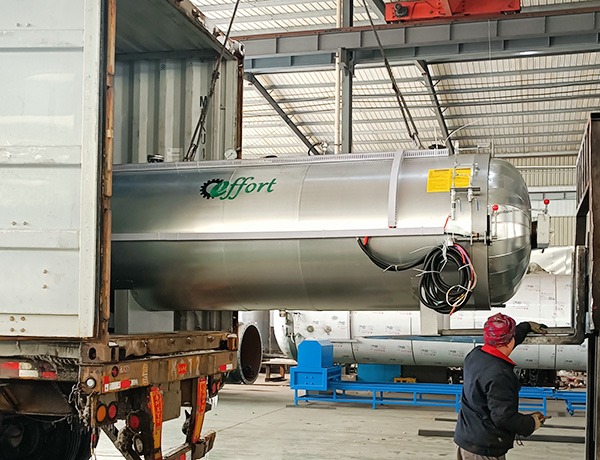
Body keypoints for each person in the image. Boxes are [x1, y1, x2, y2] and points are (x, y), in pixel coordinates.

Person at [454, 313, 548, 460]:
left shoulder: (474, 356)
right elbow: (503, 417)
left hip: (466, 440)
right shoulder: (500, 374)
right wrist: (531, 423)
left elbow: (505, 342)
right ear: (509, 341)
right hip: (484, 449)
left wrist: (526, 326)